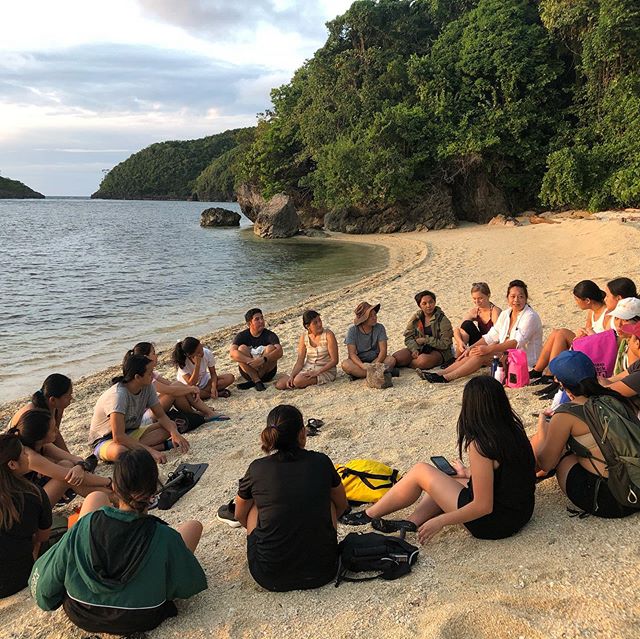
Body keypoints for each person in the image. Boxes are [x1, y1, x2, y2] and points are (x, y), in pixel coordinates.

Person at [30, 449, 207, 635]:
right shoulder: (163, 536)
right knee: (193, 526)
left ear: (114, 486)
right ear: (153, 491)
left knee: (96, 498)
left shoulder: (86, 525)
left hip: (82, 612)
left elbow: (46, 583)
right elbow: (186, 587)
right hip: (141, 616)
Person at [341, 376, 535, 542]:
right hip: (520, 514)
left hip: (493, 524)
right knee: (445, 478)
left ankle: (369, 514)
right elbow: (506, 474)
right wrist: (467, 473)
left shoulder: (482, 444)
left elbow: (483, 505)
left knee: (420, 471)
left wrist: (441, 520)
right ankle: (412, 522)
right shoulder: (513, 430)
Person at [233, 405, 348, 591]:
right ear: (302, 433)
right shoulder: (321, 462)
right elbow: (342, 505)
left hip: (270, 576)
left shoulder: (257, 468)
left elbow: (239, 515)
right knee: (328, 500)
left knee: (254, 505)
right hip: (323, 571)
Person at [531, 350, 638, 518]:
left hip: (615, 500)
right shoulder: (616, 397)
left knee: (564, 459)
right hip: (635, 482)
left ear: (563, 385)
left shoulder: (566, 414)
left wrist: (542, 429)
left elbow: (546, 463)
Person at [425, 280, 542, 384]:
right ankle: (441, 373)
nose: (516, 300)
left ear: (526, 298)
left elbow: (515, 343)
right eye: (513, 296)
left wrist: (487, 349)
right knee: (473, 351)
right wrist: (471, 348)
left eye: (521, 296)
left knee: (481, 354)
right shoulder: (507, 314)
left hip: (524, 363)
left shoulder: (529, 316)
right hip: (507, 356)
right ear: (508, 298)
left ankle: (447, 377)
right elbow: (491, 336)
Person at [89, 354, 190, 464]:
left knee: (171, 426)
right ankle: (157, 447)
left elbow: (161, 416)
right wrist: (151, 451)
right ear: (137, 377)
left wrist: (174, 433)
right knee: (121, 451)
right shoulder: (118, 396)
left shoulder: (147, 387)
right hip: (105, 439)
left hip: (130, 432)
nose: (153, 376)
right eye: (149, 373)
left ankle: (140, 449)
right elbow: (118, 437)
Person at [12, 410, 112, 505]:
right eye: (53, 429)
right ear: (40, 436)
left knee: (66, 465)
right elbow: (68, 476)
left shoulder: (42, 445)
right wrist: (109, 481)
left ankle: (116, 496)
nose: (57, 430)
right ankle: (116, 496)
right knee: (68, 478)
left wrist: (80, 466)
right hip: (22, 509)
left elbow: (76, 459)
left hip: (34, 493)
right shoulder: (29, 456)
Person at [0, 431, 51, 598]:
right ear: (12, 464)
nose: (28, 455)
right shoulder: (34, 494)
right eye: (23, 453)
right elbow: (42, 538)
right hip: (18, 580)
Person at [530, 280, 610, 380]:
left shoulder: (606, 314)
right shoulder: (592, 311)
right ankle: (538, 370)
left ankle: (550, 374)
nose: (576, 303)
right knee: (556, 332)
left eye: (577, 299)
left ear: (587, 300)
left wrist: (589, 335)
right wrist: (582, 333)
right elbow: (587, 329)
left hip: (597, 351)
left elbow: (608, 341)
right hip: (589, 345)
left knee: (562, 333)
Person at [131, 342, 224, 421]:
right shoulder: (142, 376)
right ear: (145, 357)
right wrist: (191, 389)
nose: (156, 356)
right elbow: (169, 390)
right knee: (175, 391)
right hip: (144, 417)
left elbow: (171, 384)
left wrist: (189, 388)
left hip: (153, 409)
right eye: (153, 353)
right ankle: (204, 412)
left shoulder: (152, 373)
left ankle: (198, 413)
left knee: (177, 386)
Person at [392, 291, 454, 371]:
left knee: (422, 361)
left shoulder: (443, 320)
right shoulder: (416, 318)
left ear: (435, 302)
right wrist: (414, 349)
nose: (428, 306)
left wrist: (426, 340)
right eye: (424, 303)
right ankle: (406, 364)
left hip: (440, 351)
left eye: (431, 302)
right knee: (397, 357)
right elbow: (408, 337)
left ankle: (408, 365)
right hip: (420, 348)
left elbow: (446, 344)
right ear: (419, 305)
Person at [275, 310, 338, 390]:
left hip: (324, 370)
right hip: (308, 368)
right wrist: (292, 376)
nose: (319, 324)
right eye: (315, 323)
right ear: (308, 326)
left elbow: (334, 360)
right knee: (280, 385)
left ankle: (298, 381)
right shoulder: (304, 337)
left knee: (298, 381)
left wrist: (317, 372)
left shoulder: (328, 335)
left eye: (320, 320)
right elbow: (300, 362)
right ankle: (294, 379)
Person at [11, 374, 74, 452]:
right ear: (53, 400)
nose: (71, 398)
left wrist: (70, 456)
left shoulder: (56, 407)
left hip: (39, 444)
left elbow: (54, 433)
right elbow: (29, 448)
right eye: (68, 396)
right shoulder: (35, 415)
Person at [230, 308, 283, 391]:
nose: (261, 321)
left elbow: (280, 351)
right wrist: (251, 361)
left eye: (262, 318)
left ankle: (255, 381)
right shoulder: (242, 336)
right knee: (241, 348)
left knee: (271, 348)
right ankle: (256, 380)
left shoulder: (270, 335)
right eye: (257, 319)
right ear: (249, 323)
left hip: (267, 373)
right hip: (248, 373)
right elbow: (232, 353)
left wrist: (263, 359)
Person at [341, 302, 396, 379]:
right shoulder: (352, 330)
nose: (374, 318)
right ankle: (379, 373)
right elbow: (352, 354)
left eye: (375, 315)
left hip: (376, 359)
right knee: (346, 364)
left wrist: (375, 364)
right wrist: (362, 365)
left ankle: (361, 375)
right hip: (360, 362)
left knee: (391, 360)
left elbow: (383, 351)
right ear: (364, 319)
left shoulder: (380, 328)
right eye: (371, 316)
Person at [453, 283, 502, 357]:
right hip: (479, 342)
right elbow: (457, 330)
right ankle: (456, 357)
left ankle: (460, 358)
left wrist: (487, 349)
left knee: (467, 325)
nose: (477, 301)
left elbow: (499, 336)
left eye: (480, 298)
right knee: (467, 324)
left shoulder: (495, 312)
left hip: (491, 345)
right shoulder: (475, 311)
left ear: (488, 295)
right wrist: (460, 343)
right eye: (474, 298)